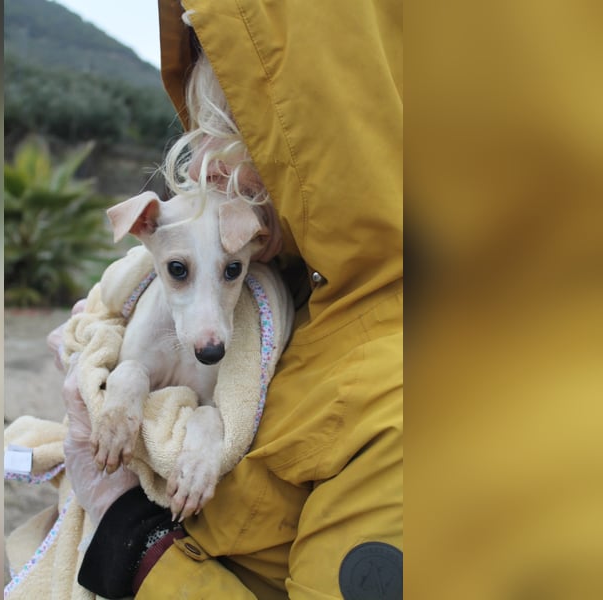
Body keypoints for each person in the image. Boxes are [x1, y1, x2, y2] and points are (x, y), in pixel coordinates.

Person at [63, 1, 402, 598]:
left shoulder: (397, 398)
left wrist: (123, 528)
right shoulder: (300, 285)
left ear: (331, 150)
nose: (197, 170)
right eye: (195, 132)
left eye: (232, 132)